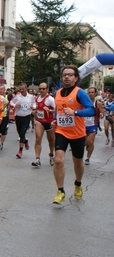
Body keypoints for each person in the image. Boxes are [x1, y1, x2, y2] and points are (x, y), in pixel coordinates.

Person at [52, 65, 94, 204]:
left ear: (76, 78)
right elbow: (58, 110)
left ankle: (78, 184)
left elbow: (91, 110)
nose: (67, 77)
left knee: (78, 162)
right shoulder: (58, 93)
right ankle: (60, 191)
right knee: (58, 160)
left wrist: (76, 112)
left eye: (70, 75)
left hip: (77, 133)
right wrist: (54, 119)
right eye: (64, 74)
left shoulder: (80, 93)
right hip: (61, 131)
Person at [31, 82, 55, 167]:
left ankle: (51, 154)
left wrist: (50, 110)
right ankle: (37, 159)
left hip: (49, 122)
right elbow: (36, 109)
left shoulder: (50, 99)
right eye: (40, 88)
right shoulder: (36, 98)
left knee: (51, 140)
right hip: (40, 121)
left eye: (43, 89)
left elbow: (58, 109)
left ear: (47, 90)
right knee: (38, 138)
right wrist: (34, 111)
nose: (41, 90)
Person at [10, 83, 35, 158]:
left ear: (26, 89)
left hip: (26, 117)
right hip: (18, 117)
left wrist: (32, 107)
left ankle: (20, 151)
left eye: (23, 89)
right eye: (20, 89)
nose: (21, 91)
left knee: (22, 132)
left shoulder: (31, 97)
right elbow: (11, 102)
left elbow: (35, 104)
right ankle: (25, 141)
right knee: (20, 133)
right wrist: (15, 105)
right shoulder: (17, 97)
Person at [84, 87, 103, 165]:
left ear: (95, 93)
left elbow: (102, 112)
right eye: (89, 92)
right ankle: (87, 145)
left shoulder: (98, 103)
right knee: (86, 142)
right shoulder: (84, 102)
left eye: (92, 92)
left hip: (93, 125)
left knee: (91, 142)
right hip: (84, 125)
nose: (91, 94)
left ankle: (87, 158)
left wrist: (101, 114)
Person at [0, 85, 10, 151]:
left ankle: (1, 144)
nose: (0, 90)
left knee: (3, 131)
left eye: (2, 89)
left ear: (4, 90)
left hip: (5, 116)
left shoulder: (7, 97)